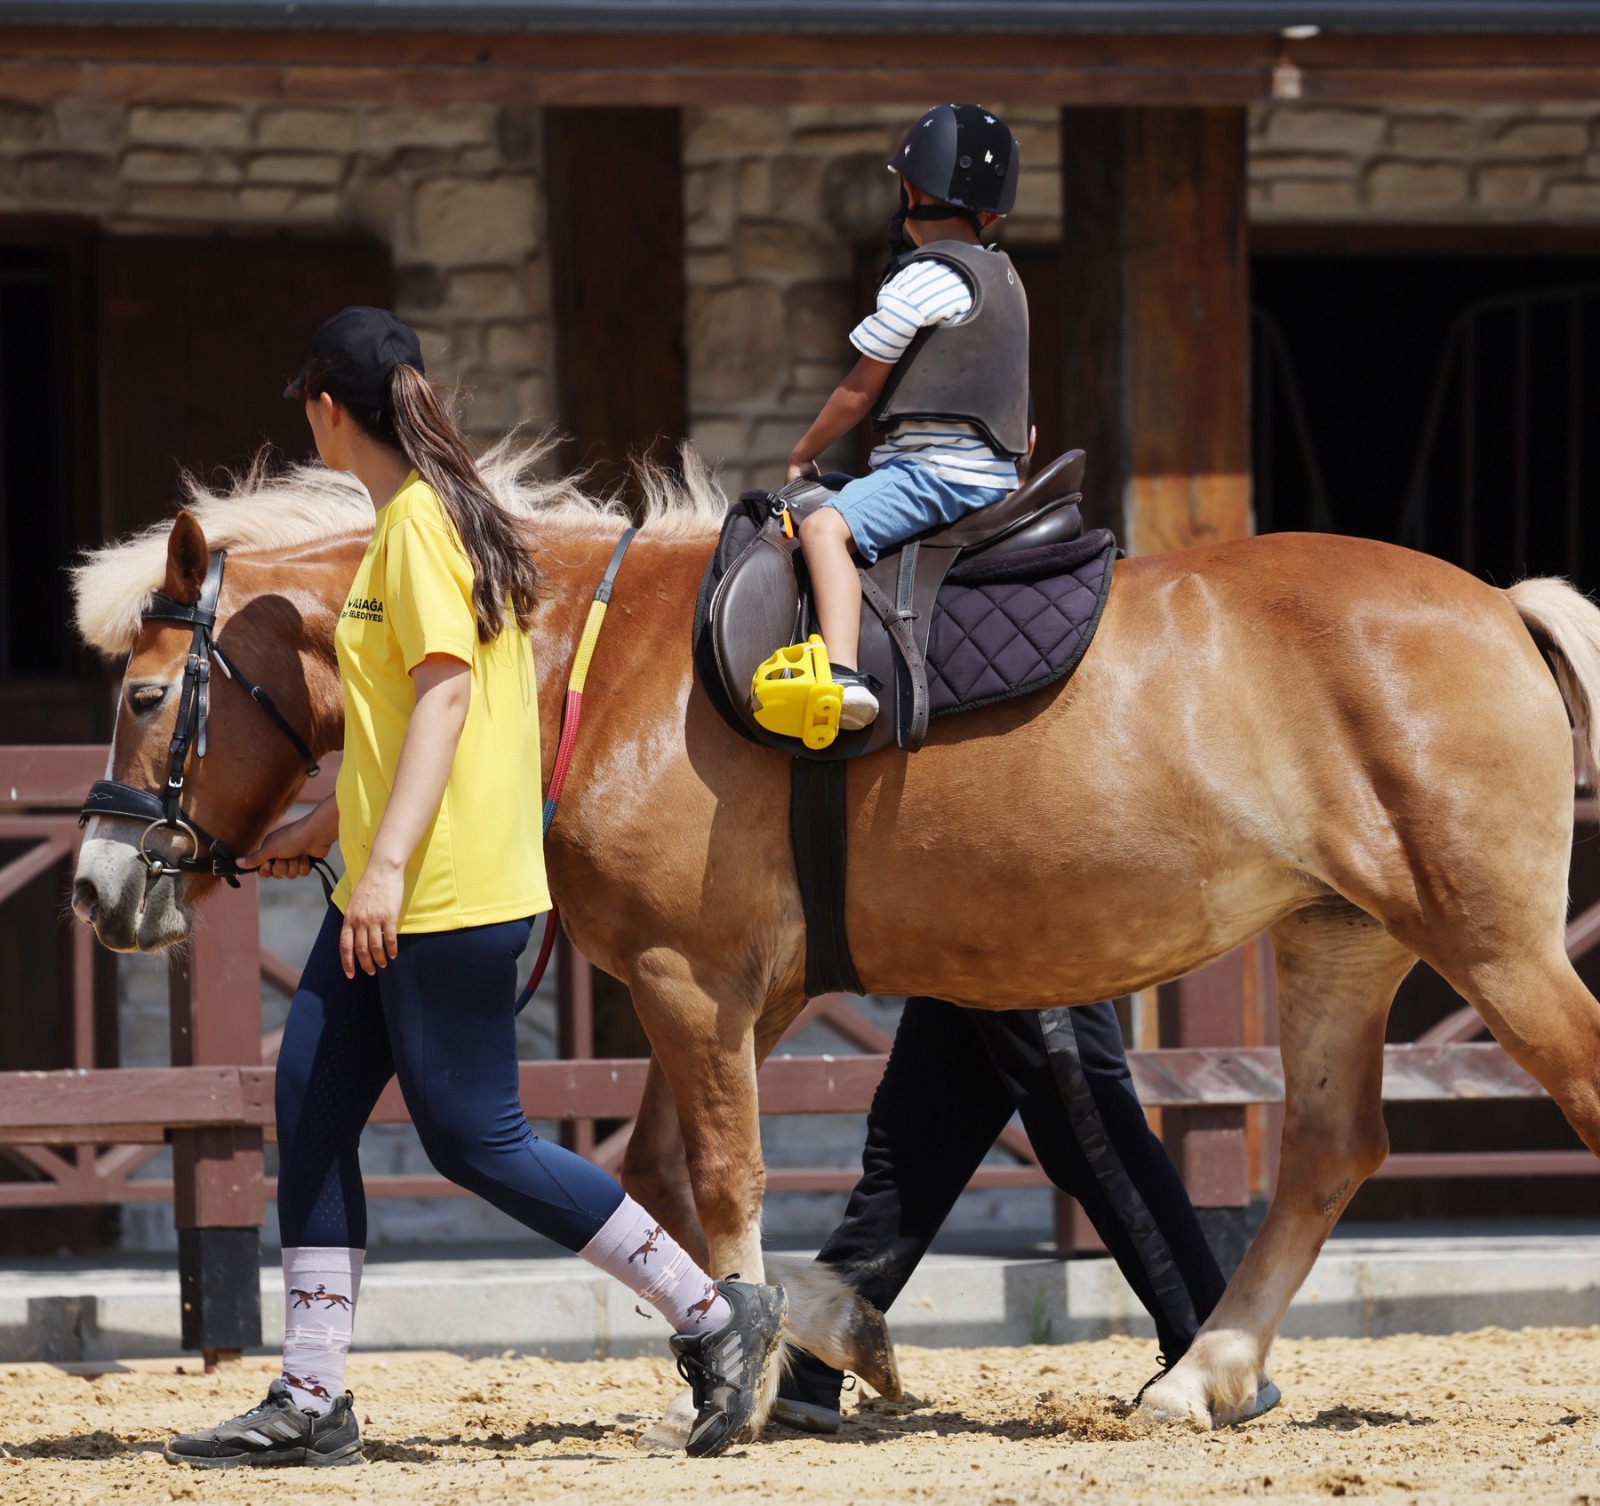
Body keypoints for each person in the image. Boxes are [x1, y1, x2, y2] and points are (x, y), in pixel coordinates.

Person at [164, 307, 784, 1470]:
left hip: (442, 891)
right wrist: (329, 826)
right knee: (310, 1104)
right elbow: (426, 716)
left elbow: (447, 698)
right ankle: (312, 1396)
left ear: (326, 409)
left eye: (306, 406)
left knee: (477, 1143)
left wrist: (387, 866)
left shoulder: (417, 530)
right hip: (396, 878)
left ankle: (711, 1316)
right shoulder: (428, 520)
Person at [772, 997, 1274, 1432]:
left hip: (1027, 934)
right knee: (917, 1144)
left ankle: (1212, 1355)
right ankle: (815, 1353)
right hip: (945, 942)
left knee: (1093, 1134)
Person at [786, 102, 1030, 731]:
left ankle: (842, 677)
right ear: (992, 215)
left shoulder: (921, 281)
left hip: (934, 476)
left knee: (823, 529)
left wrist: (802, 454)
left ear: (911, 191)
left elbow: (858, 391)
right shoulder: (1005, 279)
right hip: (996, 477)